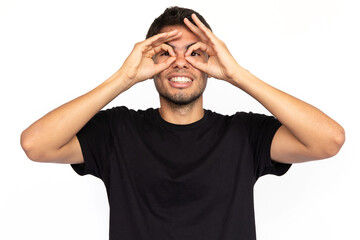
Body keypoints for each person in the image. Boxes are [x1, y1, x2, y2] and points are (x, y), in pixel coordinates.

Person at [20, 6, 345, 240]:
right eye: (166, 53)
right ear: (150, 62)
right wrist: (123, 78)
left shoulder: (244, 134)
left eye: (195, 53)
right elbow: (36, 144)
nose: (180, 62)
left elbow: (329, 140)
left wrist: (238, 75)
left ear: (210, 63)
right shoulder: (116, 132)